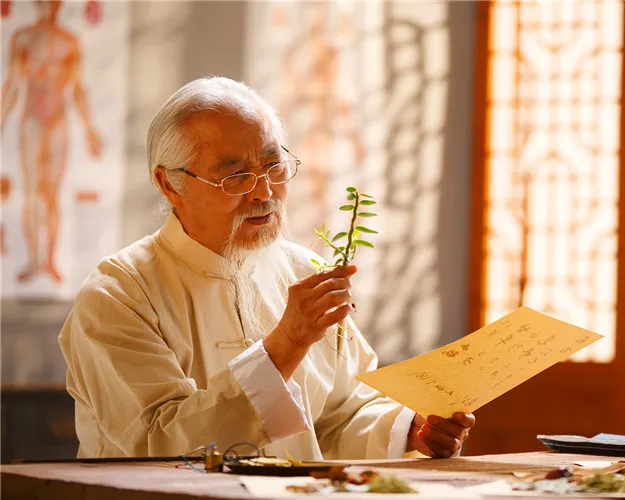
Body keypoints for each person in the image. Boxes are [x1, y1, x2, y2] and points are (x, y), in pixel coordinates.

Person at [58, 77, 475, 459]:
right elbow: (158, 443)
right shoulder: (119, 294)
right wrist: (284, 347)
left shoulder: (304, 271)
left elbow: (339, 415)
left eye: (274, 167)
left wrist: (408, 431)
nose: (264, 192)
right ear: (171, 184)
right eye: (235, 176)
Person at [1, 0, 103, 283]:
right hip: (32, 121)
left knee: (52, 193)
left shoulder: (69, 41)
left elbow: (78, 87)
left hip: (58, 122)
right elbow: (12, 84)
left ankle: (49, 261)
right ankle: (34, 260)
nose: (49, 7)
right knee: (33, 191)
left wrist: (89, 129)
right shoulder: (22, 37)